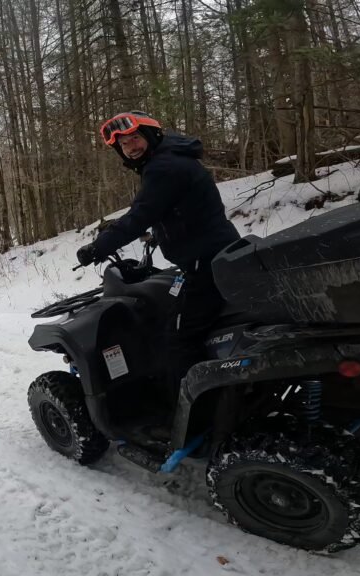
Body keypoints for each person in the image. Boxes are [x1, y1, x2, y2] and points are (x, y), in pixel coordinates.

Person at [76, 111, 241, 407]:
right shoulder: (173, 158)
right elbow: (177, 207)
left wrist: (97, 248)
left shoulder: (162, 167)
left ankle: (193, 420)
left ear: (151, 136)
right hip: (217, 255)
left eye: (135, 139)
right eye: (124, 145)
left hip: (205, 265)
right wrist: (162, 233)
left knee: (178, 339)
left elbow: (139, 215)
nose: (131, 147)